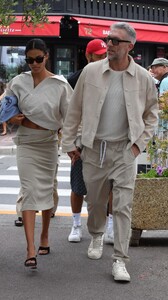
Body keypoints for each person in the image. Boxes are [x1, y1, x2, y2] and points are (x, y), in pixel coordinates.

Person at [62, 22, 158, 282]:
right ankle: (95, 235)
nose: (110, 44)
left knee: (123, 207)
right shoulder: (91, 72)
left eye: (116, 41)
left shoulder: (143, 78)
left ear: (130, 46)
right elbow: (74, 110)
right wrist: (70, 144)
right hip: (94, 149)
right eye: (108, 39)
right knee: (95, 202)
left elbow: (152, 115)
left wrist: (138, 145)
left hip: (125, 150)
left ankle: (120, 260)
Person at [5, 38, 72, 269]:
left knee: (47, 190)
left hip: (48, 142)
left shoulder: (60, 84)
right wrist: (12, 118)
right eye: (30, 60)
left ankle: (44, 234)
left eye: (38, 59)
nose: (34, 63)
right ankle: (30, 248)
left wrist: (73, 145)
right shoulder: (18, 81)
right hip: (26, 141)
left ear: (46, 57)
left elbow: (71, 117)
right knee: (29, 190)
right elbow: (6, 107)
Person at [67, 39, 114, 244]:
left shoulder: (115, 76)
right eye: (99, 55)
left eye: (106, 55)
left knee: (110, 185)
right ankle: (76, 224)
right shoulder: (75, 79)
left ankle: (110, 225)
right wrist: (70, 143)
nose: (104, 59)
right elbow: (70, 113)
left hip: (108, 139)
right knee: (78, 185)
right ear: (88, 56)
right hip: (82, 139)